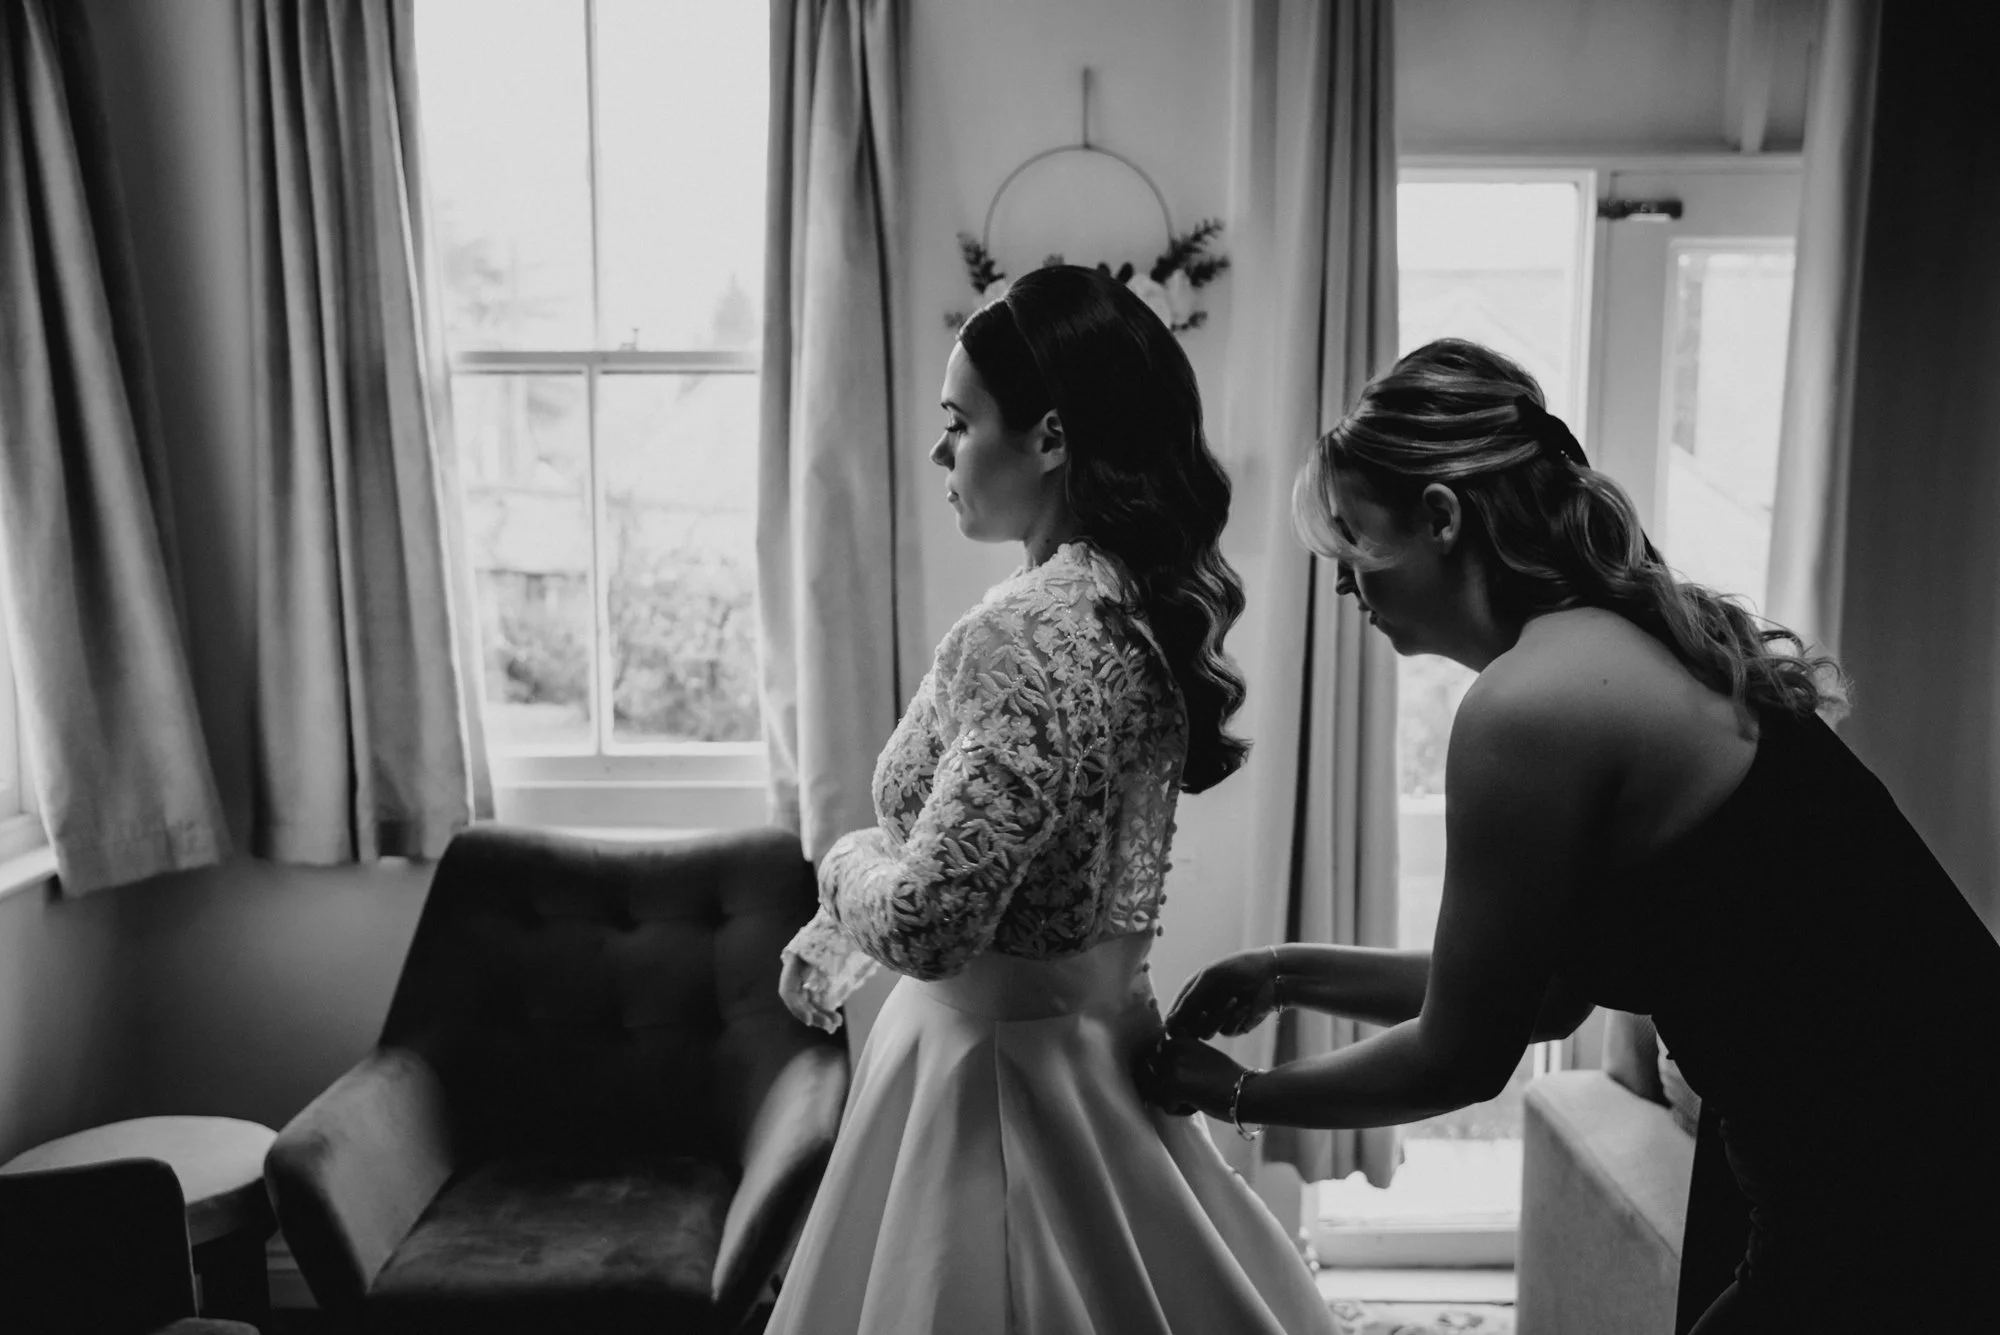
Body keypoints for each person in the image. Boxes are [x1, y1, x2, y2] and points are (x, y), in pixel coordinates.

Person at [1139, 337, 2000, 1333]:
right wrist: (1287, 973)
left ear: (1438, 517)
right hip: (1893, 1137)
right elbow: (1538, 997)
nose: (1347, 591)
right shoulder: (1604, 643)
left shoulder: (1529, 707)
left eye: (1355, 549)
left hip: (1901, 1174)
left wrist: (1239, 1093)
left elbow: (1460, 1057)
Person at [765, 265, 1336, 1335]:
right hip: (1096, 1061)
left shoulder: (1023, 634)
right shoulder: (1137, 610)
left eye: (958, 421)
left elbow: (934, 923)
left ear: (1050, 437)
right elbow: (1014, 869)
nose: (942, 452)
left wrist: (838, 865)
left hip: (988, 1091)